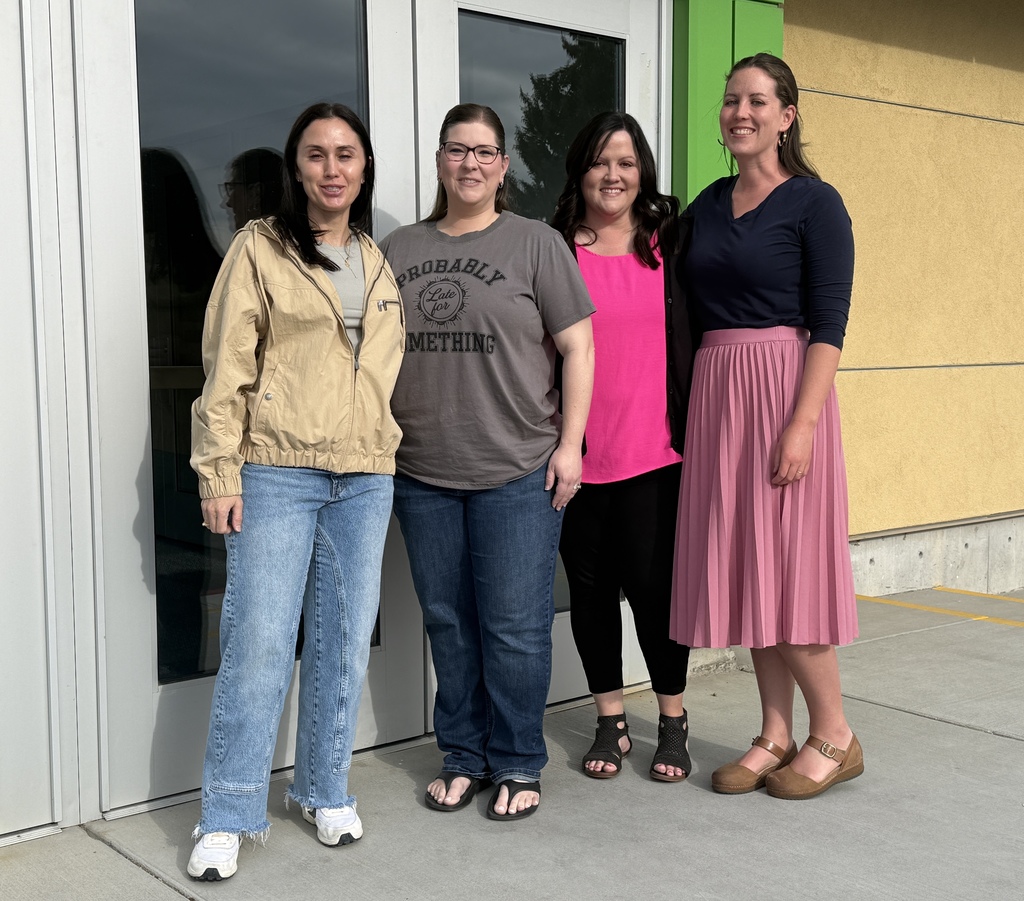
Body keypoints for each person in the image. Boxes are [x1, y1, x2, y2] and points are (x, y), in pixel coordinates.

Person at [187, 102, 405, 880]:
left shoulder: (378, 262)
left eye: (347, 154)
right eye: (316, 155)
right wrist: (219, 471)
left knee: (343, 642)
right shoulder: (260, 247)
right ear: (297, 167)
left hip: (364, 475)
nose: (333, 168)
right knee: (260, 643)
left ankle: (323, 787)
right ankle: (229, 810)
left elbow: (380, 374)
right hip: (277, 468)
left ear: (364, 166)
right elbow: (227, 367)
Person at [379, 103, 595, 821]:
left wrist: (571, 445)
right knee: (449, 620)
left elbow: (579, 349)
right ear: (439, 160)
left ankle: (517, 760)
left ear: (502, 166)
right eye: (456, 149)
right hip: (422, 472)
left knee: (514, 625)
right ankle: (464, 755)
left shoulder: (535, 244)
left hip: (517, 469)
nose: (469, 163)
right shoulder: (398, 249)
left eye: (485, 151)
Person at [670, 53, 862, 800]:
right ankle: (775, 731)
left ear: (787, 115)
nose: (739, 112)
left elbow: (830, 321)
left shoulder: (815, 203)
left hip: (784, 394)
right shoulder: (707, 205)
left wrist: (803, 422)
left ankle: (835, 731)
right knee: (752, 570)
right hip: (720, 400)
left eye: (757, 100)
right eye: (730, 101)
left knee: (789, 571)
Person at [551, 112, 695, 782]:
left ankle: (671, 717)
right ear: (580, 171)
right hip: (575, 458)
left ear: (643, 175)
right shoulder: (555, 247)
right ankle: (611, 717)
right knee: (589, 593)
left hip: (657, 455)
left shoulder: (671, 243)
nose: (612, 175)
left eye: (626, 162)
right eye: (600, 161)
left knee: (654, 592)